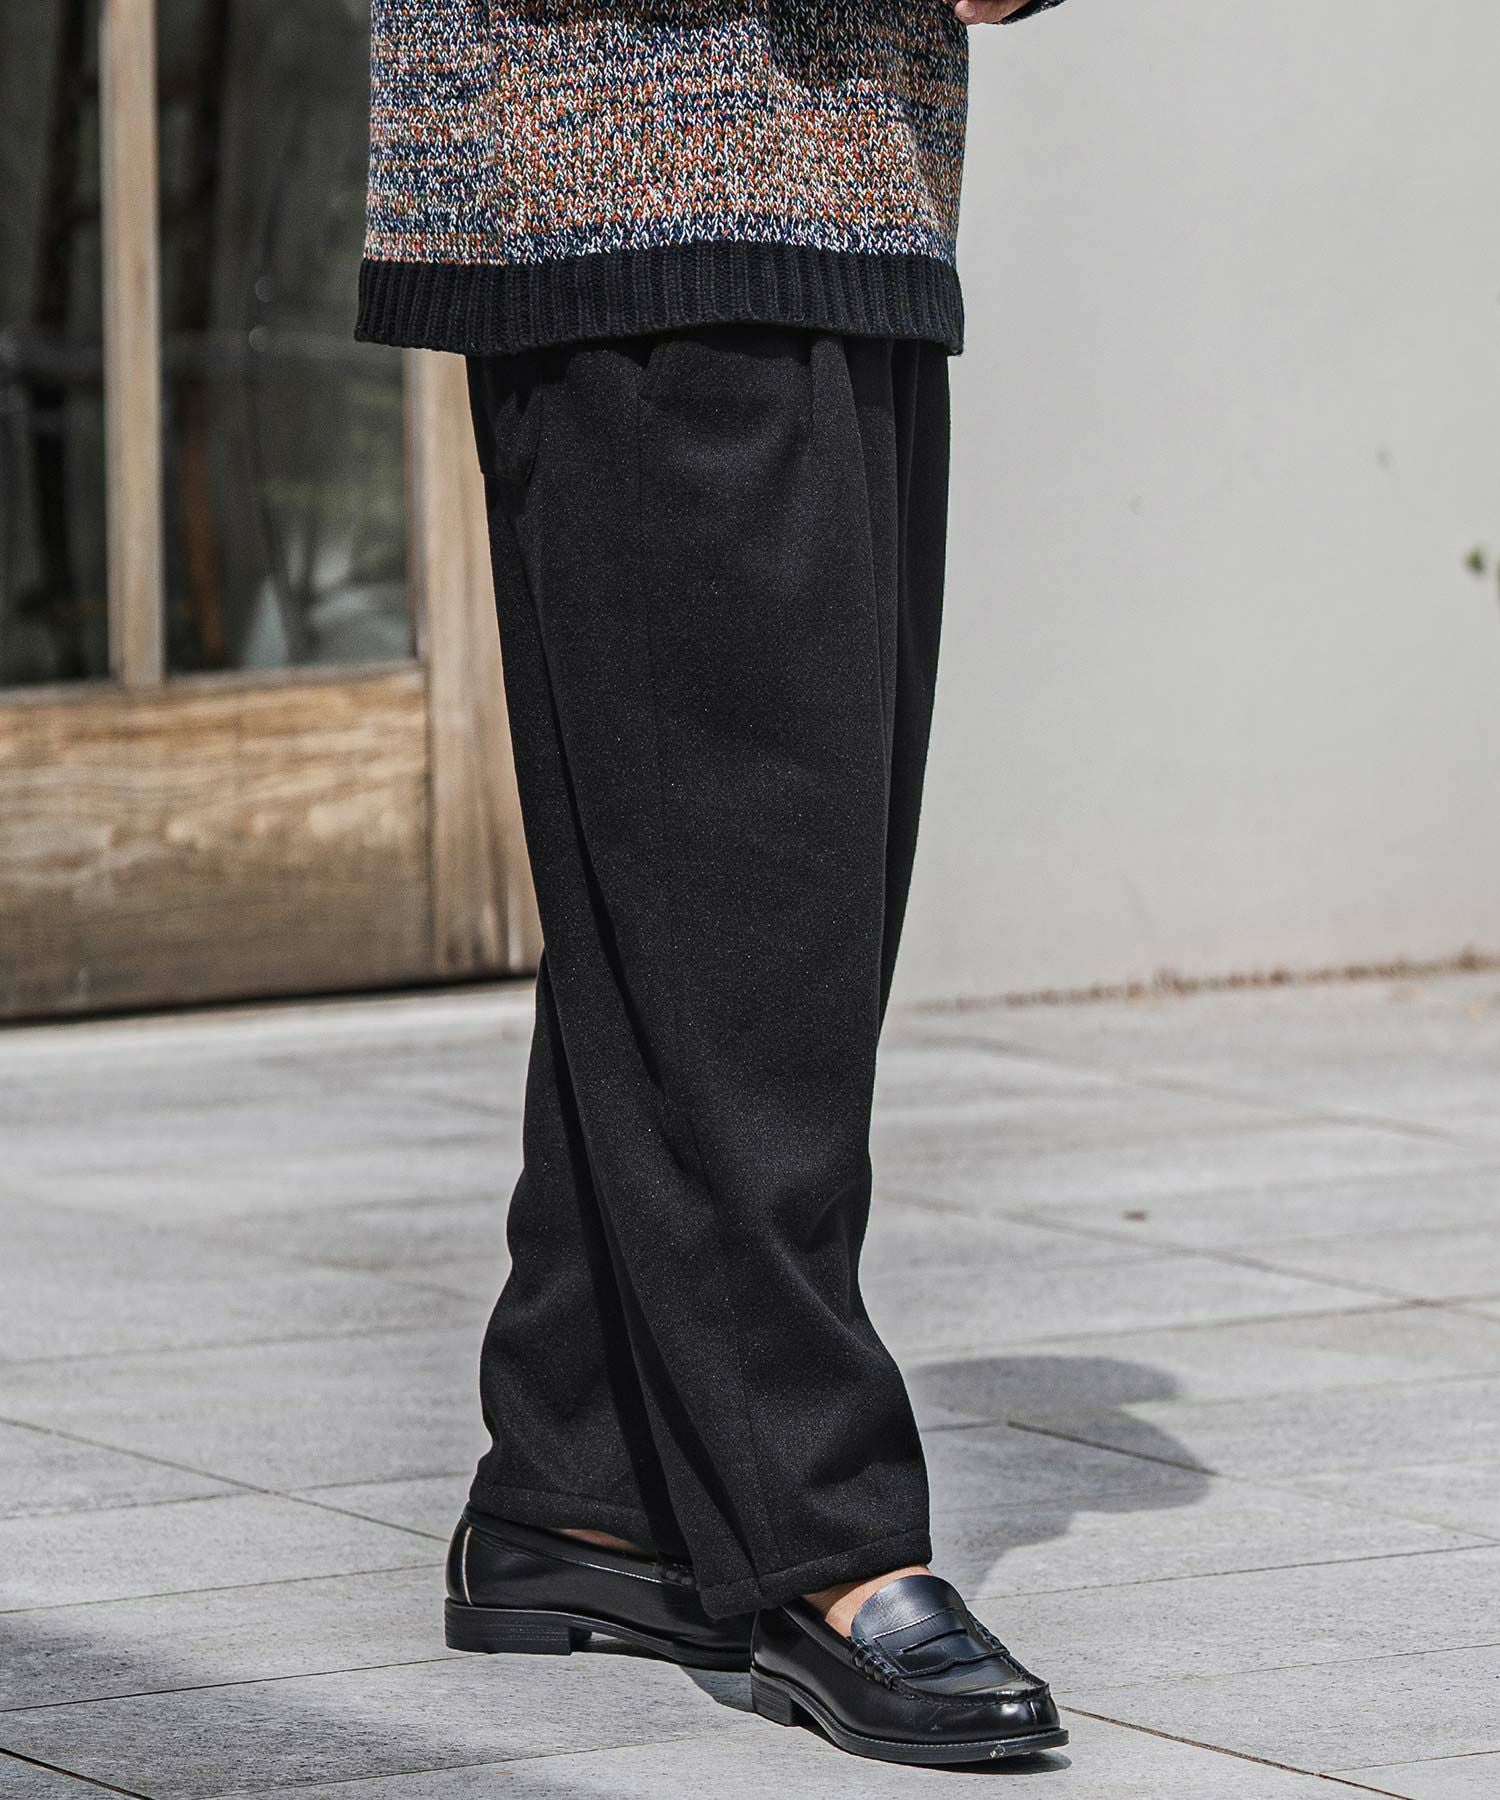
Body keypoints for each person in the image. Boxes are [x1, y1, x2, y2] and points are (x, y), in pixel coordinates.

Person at [358, 0, 1071, 1767]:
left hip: (857, 174)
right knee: (752, 916)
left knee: (722, 890)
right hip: (634, 159)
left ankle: (581, 1481)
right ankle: (823, 1538)